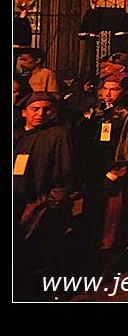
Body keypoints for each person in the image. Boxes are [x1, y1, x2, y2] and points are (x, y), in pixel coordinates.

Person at [76, 70, 128, 279]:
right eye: (105, 89)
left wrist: (115, 173)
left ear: (124, 92)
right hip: (95, 172)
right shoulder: (99, 112)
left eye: (114, 90)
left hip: (114, 175)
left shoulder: (127, 115)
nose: (108, 94)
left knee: (112, 219)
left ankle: (109, 263)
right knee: (95, 215)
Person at [14, 91, 74, 299]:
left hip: (41, 205)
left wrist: (52, 204)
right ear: (24, 112)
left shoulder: (57, 135)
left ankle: (54, 292)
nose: (40, 114)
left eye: (46, 110)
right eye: (35, 109)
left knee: (48, 250)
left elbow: (64, 173)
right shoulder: (17, 136)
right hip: (17, 202)